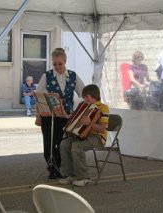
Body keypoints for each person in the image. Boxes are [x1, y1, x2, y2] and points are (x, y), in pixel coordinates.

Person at [36, 48, 85, 179]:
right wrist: (38, 116)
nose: (57, 67)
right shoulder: (46, 76)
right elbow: (38, 96)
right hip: (49, 116)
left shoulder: (73, 76)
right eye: (54, 64)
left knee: (62, 144)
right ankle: (52, 169)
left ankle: (62, 169)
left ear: (65, 62)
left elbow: (84, 93)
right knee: (48, 145)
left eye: (60, 64)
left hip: (66, 116)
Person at [59, 84, 109, 187]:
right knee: (64, 144)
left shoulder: (103, 108)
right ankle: (70, 175)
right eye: (84, 97)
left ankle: (84, 177)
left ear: (94, 96)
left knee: (77, 146)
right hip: (81, 135)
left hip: (97, 137)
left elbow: (102, 129)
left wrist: (90, 124)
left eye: (87, 97)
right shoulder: (83, 106)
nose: (84, 99)